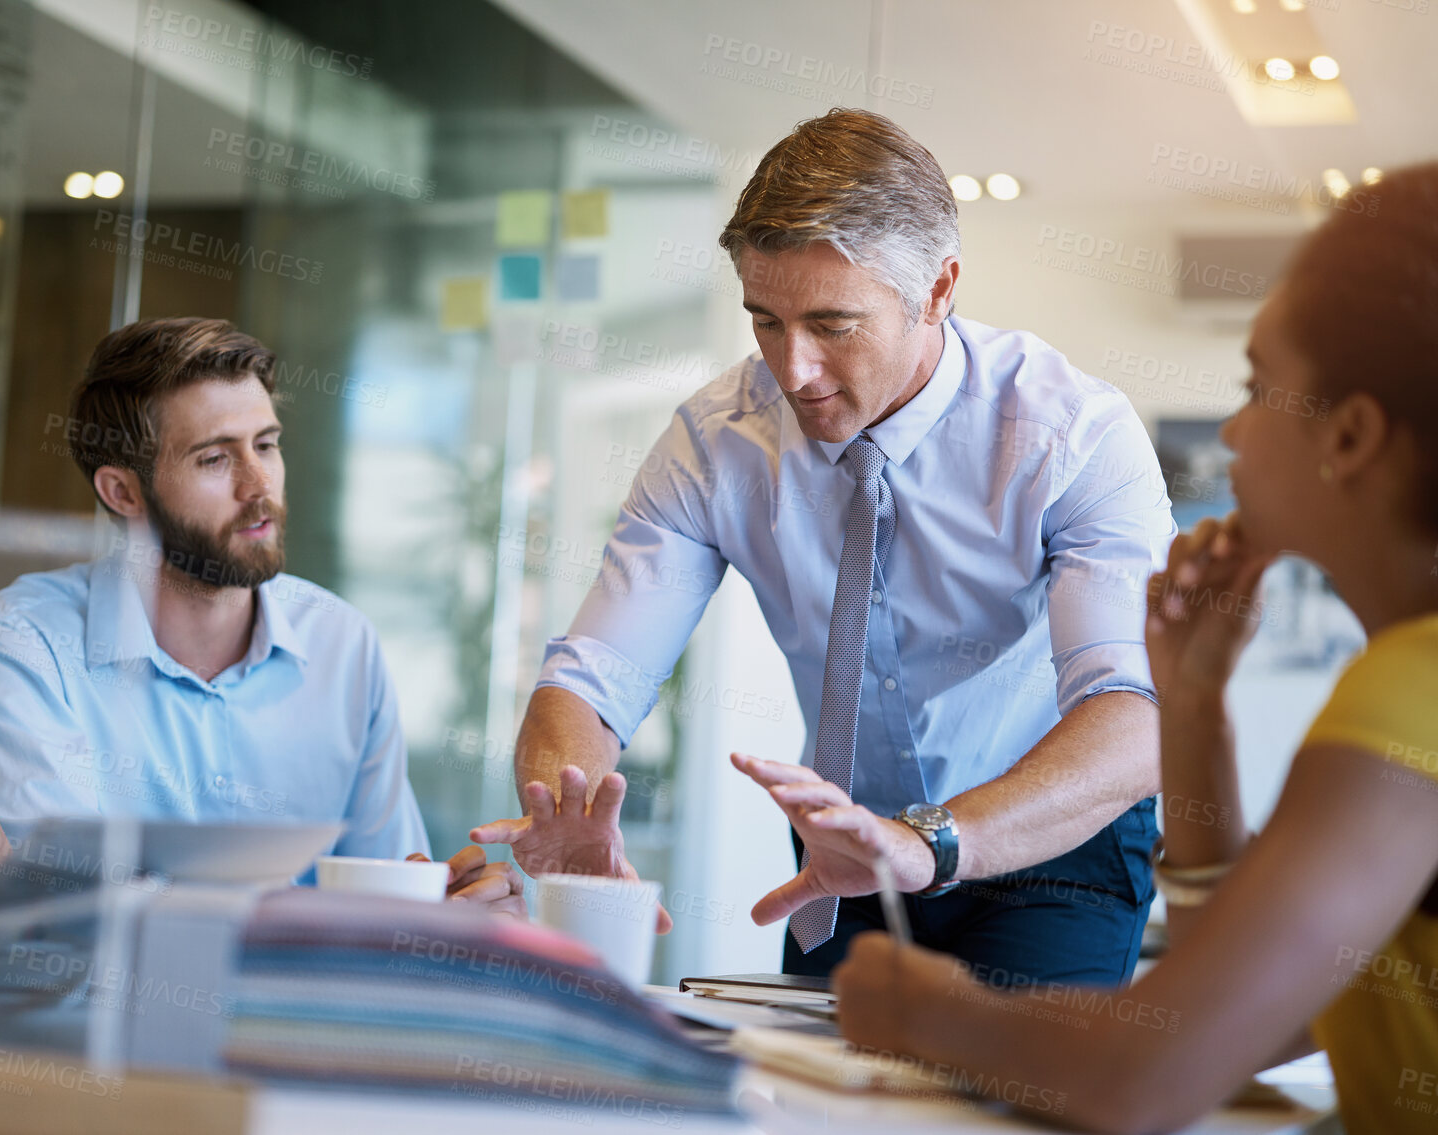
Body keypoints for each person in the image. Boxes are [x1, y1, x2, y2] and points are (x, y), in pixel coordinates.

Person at [830, 161, 1438, 1135]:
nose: (1231, 430)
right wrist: (1191, 704)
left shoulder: (1434, 683)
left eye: (1258, 386)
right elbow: (1237, 1016)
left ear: (1350, 436)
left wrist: (924, 1009)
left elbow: (1143, 1075)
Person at [473, 108, 1176, 984]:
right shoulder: (716, 439)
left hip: (1050, 835)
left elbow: (1134, 712)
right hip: (847, 848)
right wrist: (567, 804)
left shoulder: (1069, 433)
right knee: (826, 1097)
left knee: (1004, 1110)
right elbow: (591, 676)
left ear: (938, 289)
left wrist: (930, 845)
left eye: (832, 325)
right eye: (764, 320)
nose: (791, 369)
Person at [0, 317, 522, 913]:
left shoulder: (342, 644)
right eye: (215, 459)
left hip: (303, 1006)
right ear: (122, 493)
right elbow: (71, 912)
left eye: (266, 446)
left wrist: (448, 917)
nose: (259, 486)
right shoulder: (20, 645)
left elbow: (389, 894)